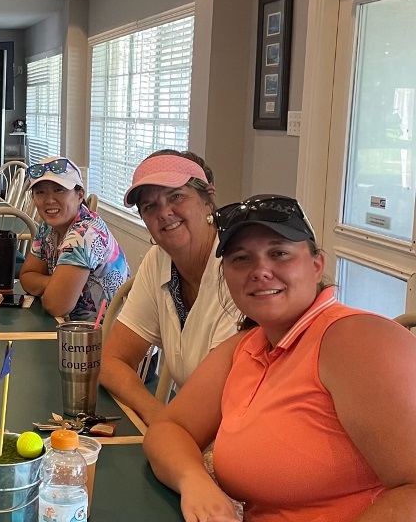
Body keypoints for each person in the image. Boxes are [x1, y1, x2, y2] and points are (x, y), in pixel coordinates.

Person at [144, 194, 416, 521]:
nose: (260, 271)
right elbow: (169, 428)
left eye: (279, 253)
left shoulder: (356, 340)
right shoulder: (248, 345)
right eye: (241, 258)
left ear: (317, 265)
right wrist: (195, 481)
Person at [99, 150, 240, 426]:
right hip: (183, 426)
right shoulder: (159, 259)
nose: (164, 213)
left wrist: (167, 426)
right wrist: (155, 412)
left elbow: (216, 401)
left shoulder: (239, 267)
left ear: (207, 200)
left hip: (235, 434)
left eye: (176, 196)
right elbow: (112, 361)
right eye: (150, 207)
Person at [18, 156, 130, 319]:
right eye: (40, 192)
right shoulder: (48, 226)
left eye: (59, 190)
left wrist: (54, 288)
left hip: (104, 337)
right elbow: (26, 276)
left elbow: (56, 305)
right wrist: (53, 283)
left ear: (79, 195)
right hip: (71, 329)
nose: (49, 200)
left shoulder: (85, 234)